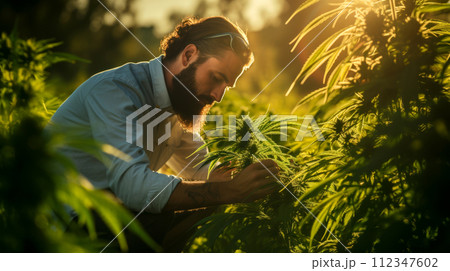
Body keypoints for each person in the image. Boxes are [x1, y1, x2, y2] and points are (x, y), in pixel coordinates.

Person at [50, 16, 279, 252]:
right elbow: (133, 186)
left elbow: (205, 171)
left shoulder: (177, 104)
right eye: (216, 78)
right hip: (60, 224)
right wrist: (229, 191)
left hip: (103, 216)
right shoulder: (116, 90)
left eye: (226, 86)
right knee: (172, 211)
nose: (219, 96)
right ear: (189, 55)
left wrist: (260, 176)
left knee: (205, 203)